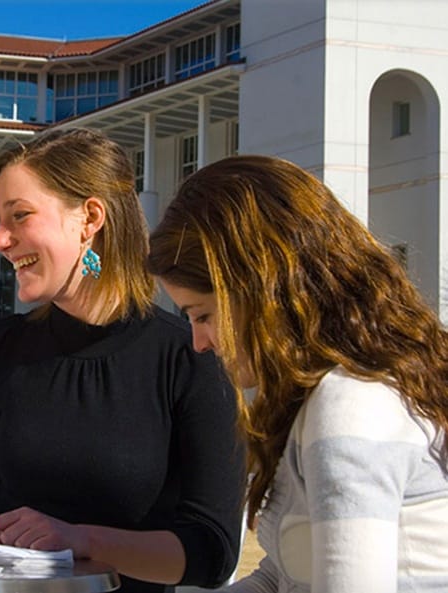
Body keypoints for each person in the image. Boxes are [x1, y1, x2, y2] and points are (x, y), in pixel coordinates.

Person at [0, 128, 246, 593]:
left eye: (19, 216)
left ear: (90, 218)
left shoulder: (191, 353)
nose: (0, 240)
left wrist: (81, 541)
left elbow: (212, 550)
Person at [146, 155, 448, 592]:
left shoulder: (351, 404)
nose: (199, 343)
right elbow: (284, 576)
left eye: (203, 314)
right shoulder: (340, 394)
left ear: (262, 289)